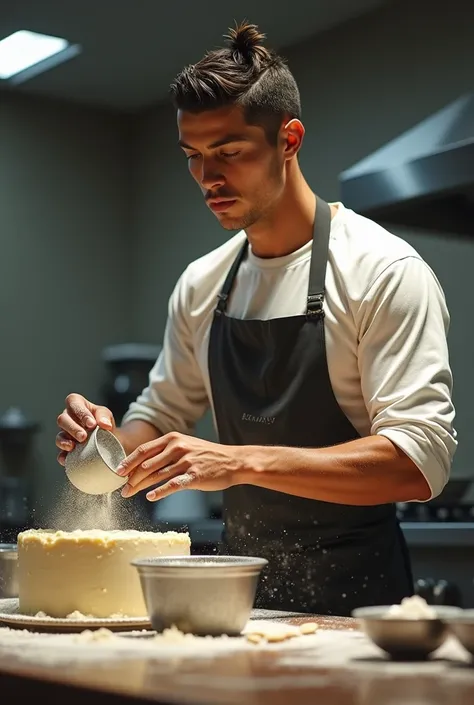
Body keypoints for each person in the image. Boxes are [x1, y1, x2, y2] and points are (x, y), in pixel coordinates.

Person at [56, 22, 457, 616]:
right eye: (193, 156)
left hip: (359, 606)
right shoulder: (202, 283)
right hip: (239, 600)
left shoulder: (383, 270)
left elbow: (419, 461)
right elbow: (162, 413)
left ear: (289, 139)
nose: (208, 179)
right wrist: (104, 444)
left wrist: (240, 461)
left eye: (230, 152)